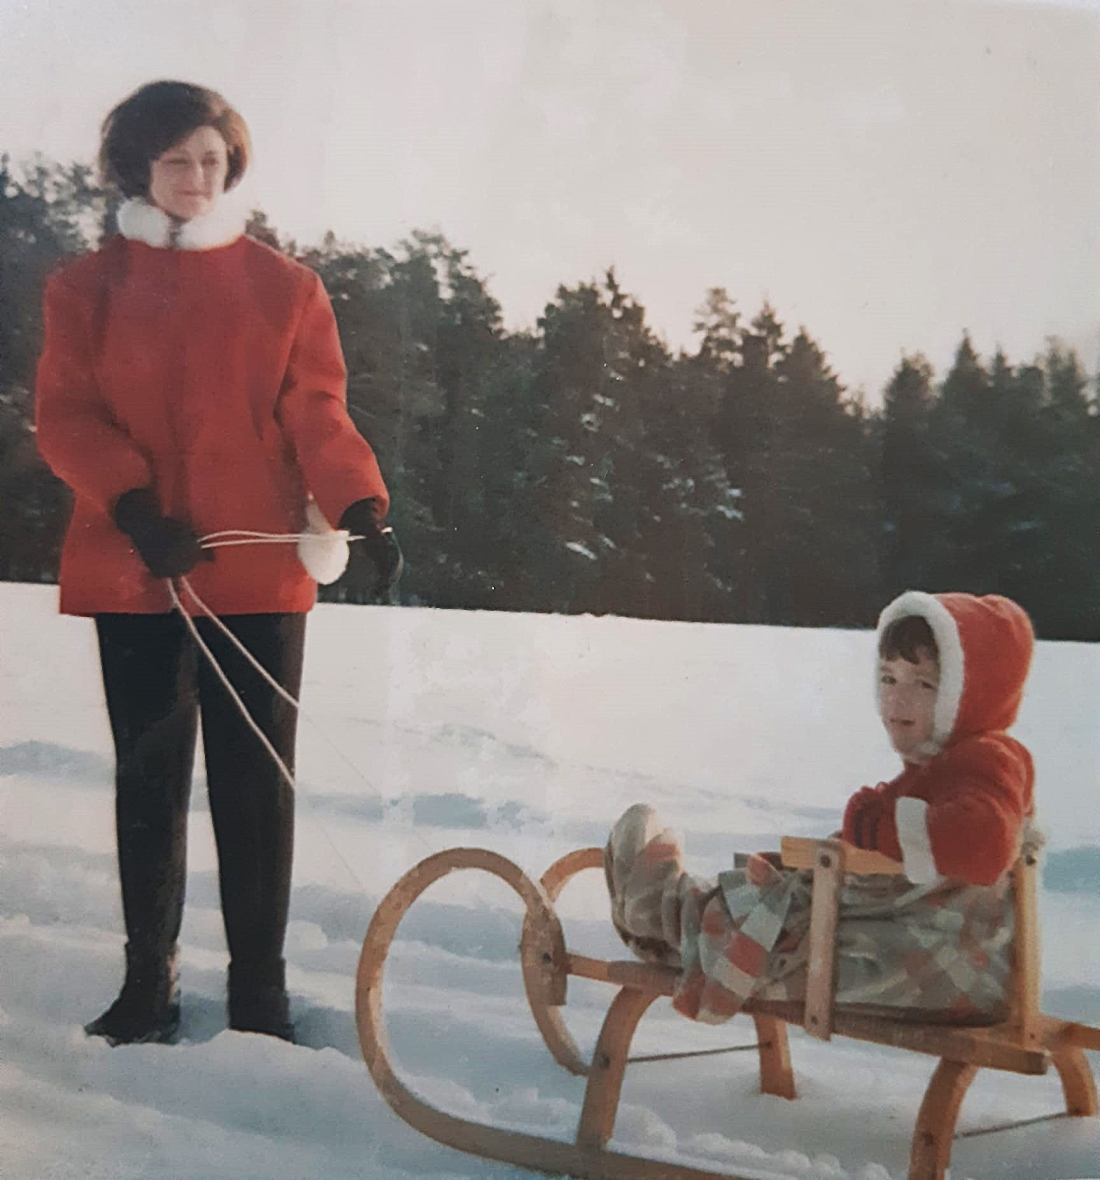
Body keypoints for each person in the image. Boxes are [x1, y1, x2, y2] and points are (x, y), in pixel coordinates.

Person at [34, 80, 402, 1046]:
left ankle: (260, 995)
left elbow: (314, 409)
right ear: (137, 169)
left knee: (254, 781)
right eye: (175, 160)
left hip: (257, 574)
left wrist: (360, 500)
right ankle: (146, 985)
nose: (197, 177)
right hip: (138, 568)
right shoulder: (83, 290)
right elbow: (66, 416)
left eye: (211, 158)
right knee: (148, 778)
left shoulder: (287, 288)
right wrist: (134, 506)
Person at [605, 590, 1037, 1025]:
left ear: (973, 693)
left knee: (771, 914)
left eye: (924, 684)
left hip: (910, 968)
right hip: (941, 965)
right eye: (888, 678)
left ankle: (655, 906)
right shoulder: (949, 764)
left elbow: (986, 840)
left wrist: (874, 827)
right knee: (777, 893)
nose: (897, 701)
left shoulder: (988, 759)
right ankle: (674, 917)